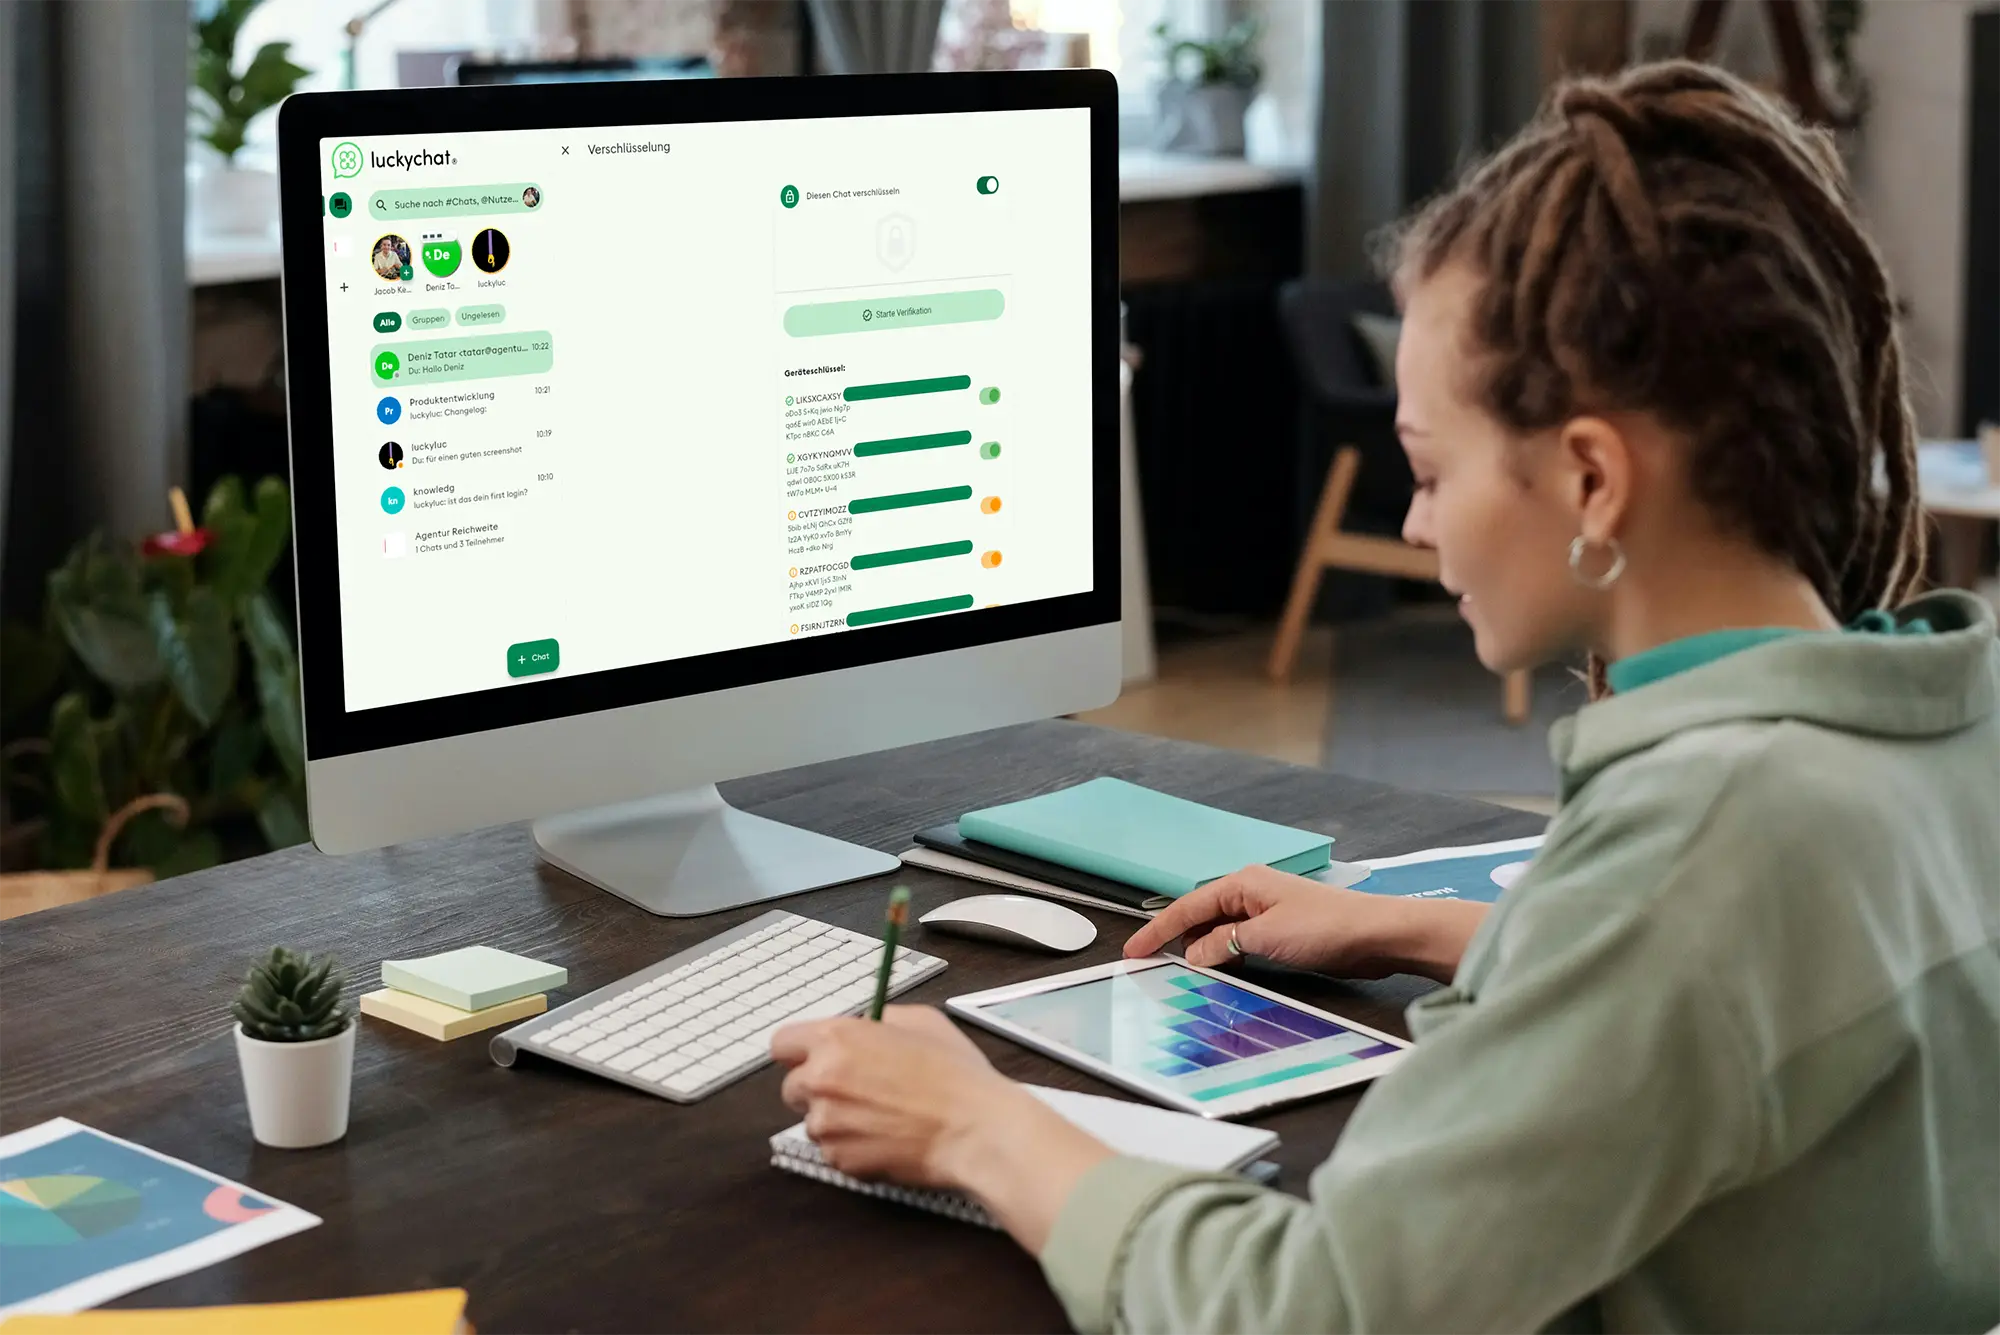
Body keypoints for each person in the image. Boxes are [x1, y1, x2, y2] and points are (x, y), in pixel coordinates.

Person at [770, 60, 2000, 1334]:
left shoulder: (1699, 841)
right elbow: (1761, 986)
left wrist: (981, 1128)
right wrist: (1420, 928)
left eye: (1426, 468)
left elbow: (1318, 1311)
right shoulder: (1936, 717)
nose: (1413, 525)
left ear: (1589, 481)